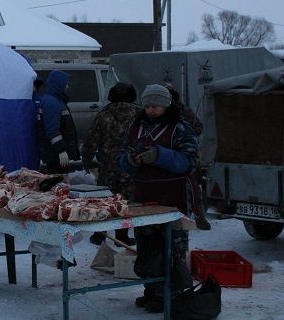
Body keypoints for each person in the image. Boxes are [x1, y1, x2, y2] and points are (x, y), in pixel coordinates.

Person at [119, 84, 199, 313]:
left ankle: (171, 294)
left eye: (155, 106)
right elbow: (122, 156)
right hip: (144, 196)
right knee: (147, 246)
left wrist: (160, 156)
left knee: (172, 247)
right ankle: (152, 289)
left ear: (165, 105)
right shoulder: (137, 127)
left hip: (173, 197)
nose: (150, 110)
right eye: (147, 106)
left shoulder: (180, 128)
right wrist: (129, 161)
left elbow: (189, 162)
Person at [81, 82, 140, 246]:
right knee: (125, 202)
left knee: (104, 200)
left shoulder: (103, 114)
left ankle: (100, 234)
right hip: (130, 165)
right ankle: (122, 235)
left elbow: (91, 139)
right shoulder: (139, 114)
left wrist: (87, 160)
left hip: (107, 166)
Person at [164, 83, 211, 230]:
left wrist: (186, 136)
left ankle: (198, 217)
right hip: (166, 156)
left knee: (193, 188)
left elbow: (199, 126)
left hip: (183, 155)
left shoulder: (183, 110)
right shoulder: (156, 111)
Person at [36, 70, 80, 174]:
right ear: (59, 84)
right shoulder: (52, 103)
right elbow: (52, 130)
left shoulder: (56, 101)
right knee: (58, 183)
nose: (67, 87)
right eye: (66, 84)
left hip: (54, 154)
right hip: (55, 155)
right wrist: (61, 150)